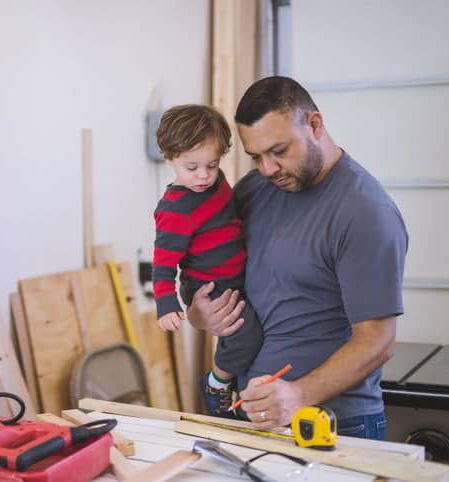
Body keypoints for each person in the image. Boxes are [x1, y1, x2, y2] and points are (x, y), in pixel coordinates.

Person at [187, 76, 409, 439]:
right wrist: (201, 313)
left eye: (279, 151)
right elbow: (215, 277)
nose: (268, 168)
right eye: (256, 156)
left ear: (315, 125)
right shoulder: (255, 190)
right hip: (254, 418)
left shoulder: (365, 212)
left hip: (336, 426)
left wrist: (297, 395)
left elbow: (377, 342)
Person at [152, 104, 263, 418]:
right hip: (208, 282)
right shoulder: (175, 210)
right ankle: (216, 383)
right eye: (192, 167)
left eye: (212, 165)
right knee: (245, 333)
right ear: (169, 157)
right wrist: (166, 304)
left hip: (232, 274)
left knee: (250, 327)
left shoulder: (217, 181)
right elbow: (162, 262)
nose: (203, 175)